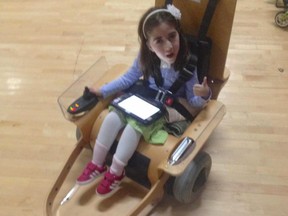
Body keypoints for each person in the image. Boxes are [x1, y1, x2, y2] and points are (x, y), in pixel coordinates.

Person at [76, 4, 211, 197]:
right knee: (113, 117)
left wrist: (204, 94)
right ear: (149, 45)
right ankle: (97, 163)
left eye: (172, 36)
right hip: (144, 98)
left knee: (134, 127)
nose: (168, 46)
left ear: (179, 34)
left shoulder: (188, 64)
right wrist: (102, 91)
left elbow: (193, 102)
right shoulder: (145, 57)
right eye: (159, 41)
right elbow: (127, 79)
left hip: (170, 107)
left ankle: (116, 172)